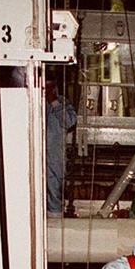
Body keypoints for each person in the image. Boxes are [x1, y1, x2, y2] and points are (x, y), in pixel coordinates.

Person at [45, 82, 77, 216]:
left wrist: (54, 103)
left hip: (54, 156)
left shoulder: (62, 103)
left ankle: (55, 217)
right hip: (32, 153)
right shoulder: (30, 100)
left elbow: (70, 122)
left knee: (54, 189)